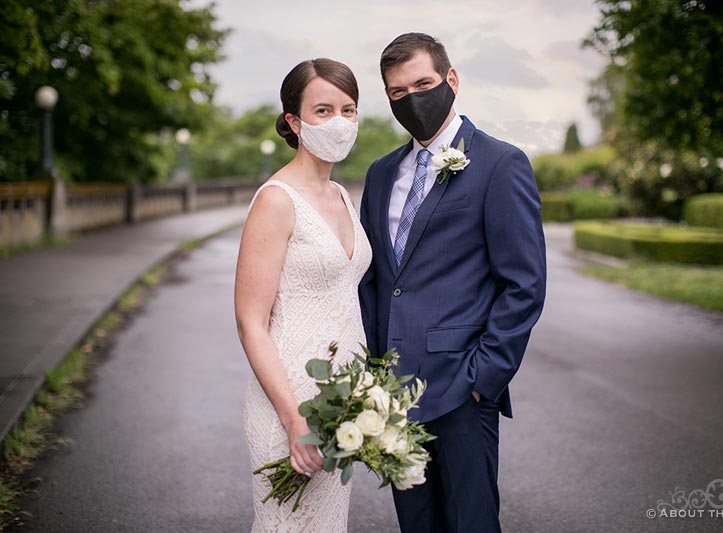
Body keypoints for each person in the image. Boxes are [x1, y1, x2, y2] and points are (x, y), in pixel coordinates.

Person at [358, 33, 547, 532]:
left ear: (452, 80)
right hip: (393, 395)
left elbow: (523, 284)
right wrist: (373, 372)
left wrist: (484, 380)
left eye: (423, 83)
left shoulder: (500, 164)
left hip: (463, 389)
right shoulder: (381, 175)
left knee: (472, 523)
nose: (413, 99)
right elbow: (377, 280)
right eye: (399, 92)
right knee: (417, 525)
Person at [234, 58, 371, 532]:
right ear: (294, 121)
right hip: (289, 402)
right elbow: (251, 322)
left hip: (342, 403)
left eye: (348, 110)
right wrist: (294, 419)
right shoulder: (276, 200)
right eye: (323, 110)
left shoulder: (341, 196)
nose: (339, 122)